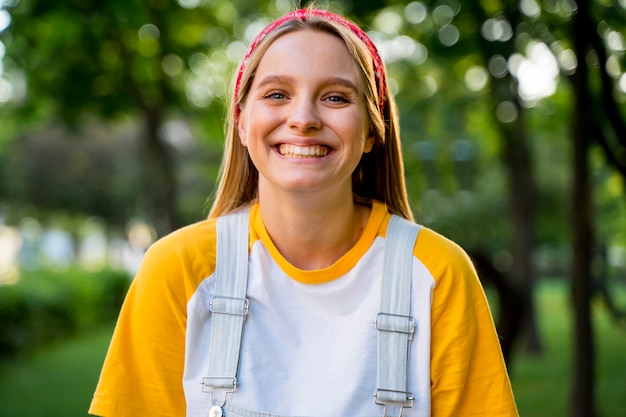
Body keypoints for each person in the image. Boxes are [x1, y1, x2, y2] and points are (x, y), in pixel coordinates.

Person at [89, 7, 519, 417]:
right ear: (241, 121)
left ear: (372, 129)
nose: (303, 118)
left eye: (335, 97)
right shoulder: (178, 270)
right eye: (277, 94)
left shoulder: (436, 275)